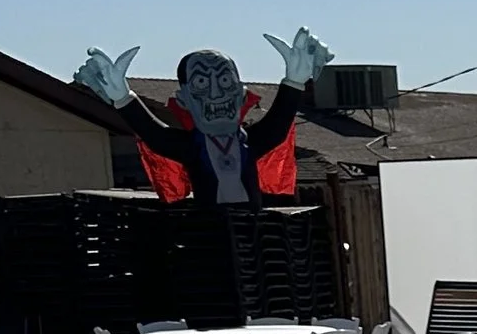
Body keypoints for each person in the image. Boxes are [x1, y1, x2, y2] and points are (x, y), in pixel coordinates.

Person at [74, 30, 333, 208]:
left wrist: (295, 81)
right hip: (211, 230)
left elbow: (277, 125)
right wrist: (122, 97)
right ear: (184, 100)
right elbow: (156, 136)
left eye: (224, 81)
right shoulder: (191, 148)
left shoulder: (249, 143)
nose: (216, 93)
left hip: (251, 229)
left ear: (242, 95)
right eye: (201, 82)